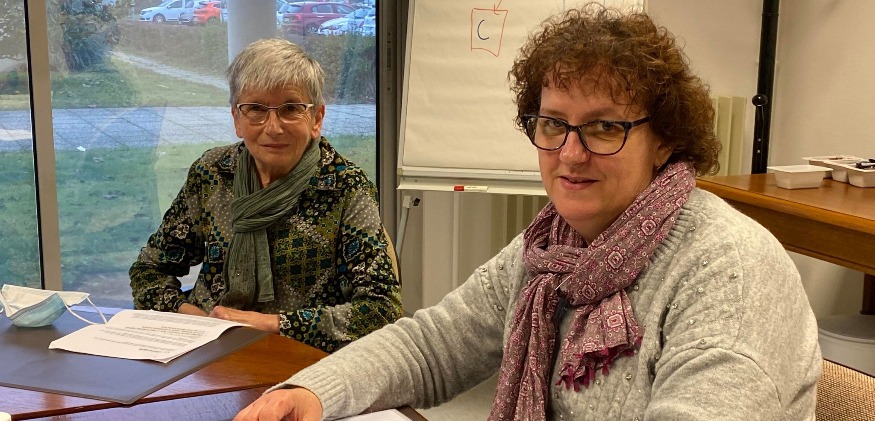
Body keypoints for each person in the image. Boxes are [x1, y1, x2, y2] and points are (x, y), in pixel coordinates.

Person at [235, 5, 821, 420]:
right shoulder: (554, 248)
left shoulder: (727, 271)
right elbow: (433, 344)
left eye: (604, 127)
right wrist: (311, 392)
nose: (570, 153)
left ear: (664, 139)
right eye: (553, 124)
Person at [130, 38, 402, 353]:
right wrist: (193, 318)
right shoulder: (212, 173)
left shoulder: (346, 187)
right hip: (209, 350)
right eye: (256, 109)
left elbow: (381, 309)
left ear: (316, 119)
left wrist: (270, 325)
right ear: (237, 119)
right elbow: (148, 270)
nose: (273, 127)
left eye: (291, 109)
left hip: (300, 359)